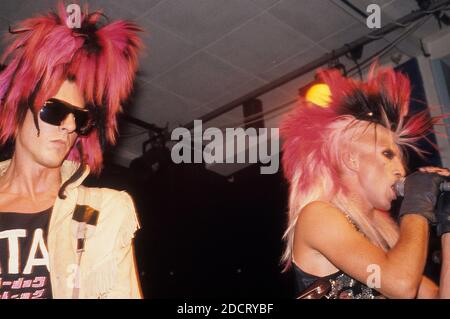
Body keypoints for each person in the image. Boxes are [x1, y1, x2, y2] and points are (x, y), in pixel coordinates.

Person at [0, 2, 143, 299]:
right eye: (54, 111)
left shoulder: (104, 210)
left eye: (79, 118)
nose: (68, 126)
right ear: (18, 109)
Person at [279, 64, 450, 299]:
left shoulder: (381, 246)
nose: (401, 170)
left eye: (400, 159)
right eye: (388, 155)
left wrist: (447, 224)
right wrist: (417, 203)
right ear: (351, 159)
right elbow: (401, 286)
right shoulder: (317, 215)